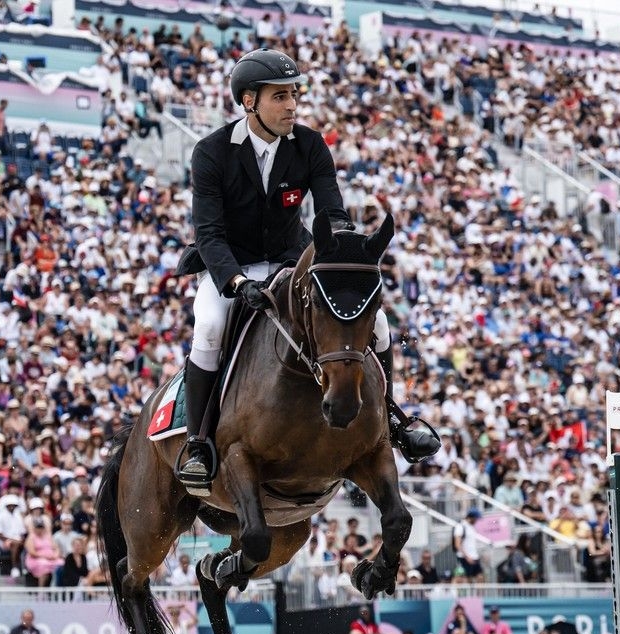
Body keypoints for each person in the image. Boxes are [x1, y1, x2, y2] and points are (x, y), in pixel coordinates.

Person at [175, 47, 439, 500]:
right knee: (212, 325)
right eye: (280, 97)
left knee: (377, 322)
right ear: (249, 102)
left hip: (291, 259)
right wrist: (237, 283)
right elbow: (209, 233)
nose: (292, 106)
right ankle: (199, 443)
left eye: (295, 95)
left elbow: (333, 211)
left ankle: (392, 420)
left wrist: (343, 251)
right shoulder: (212, 153)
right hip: (231, 266)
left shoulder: (310, 145)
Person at [453, 508, 485, 582]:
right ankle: (469, 594)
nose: (477, 520)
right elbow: (457, 544)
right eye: (476, 518)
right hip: (465, 558)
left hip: (474, 556)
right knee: (467, 579)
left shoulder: (471, 527)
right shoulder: (461, 526)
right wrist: (467, 557)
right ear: (472, 517)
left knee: (480, 577)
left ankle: (479, 594)